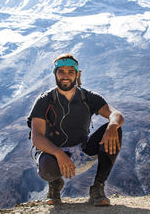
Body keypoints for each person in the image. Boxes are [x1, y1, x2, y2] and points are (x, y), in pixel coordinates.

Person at [28, 53, 124, 206]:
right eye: (61, 72)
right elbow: (37, 137)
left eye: (70, 72)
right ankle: (55, 183)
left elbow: (116, 114)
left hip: (82, 151)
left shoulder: (88, 97)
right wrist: (59, 153)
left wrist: (112, 126)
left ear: (77, 74)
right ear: (55, 74)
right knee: (47, 169)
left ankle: (98, 187)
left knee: (115, 131)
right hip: (53, 155)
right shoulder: (44, 100)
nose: (66, 76)